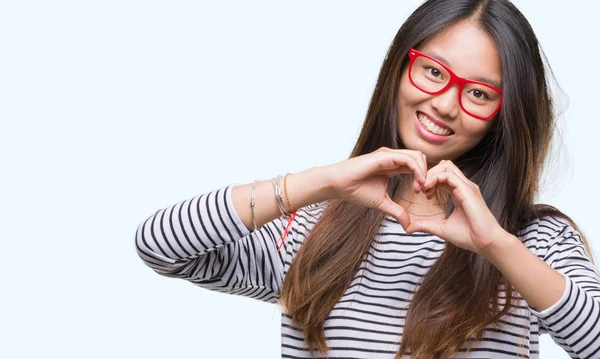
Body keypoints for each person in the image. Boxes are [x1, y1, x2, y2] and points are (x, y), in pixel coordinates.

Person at [135, 0, 600, 358]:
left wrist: (497, 245)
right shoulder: (313, 228)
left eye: (478, 93)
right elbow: (160, 245)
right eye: (433, 71)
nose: (443, 103)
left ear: (504, 115)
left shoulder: (535, 241)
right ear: (400, 68)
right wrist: (322, 183)